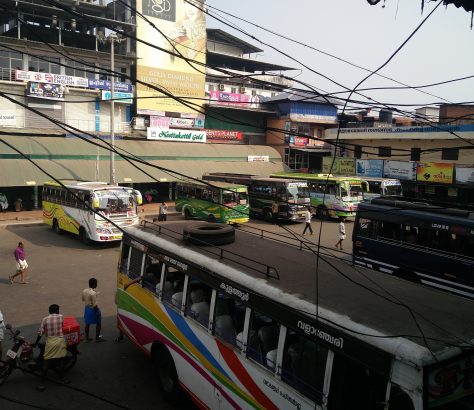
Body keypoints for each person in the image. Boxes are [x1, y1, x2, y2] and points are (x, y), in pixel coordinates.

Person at [34, 304, 69, 391]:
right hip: (60, 341)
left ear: (49, 311)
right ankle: (62, 380)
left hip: (50, 342)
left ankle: (42, 384)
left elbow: (40, 333)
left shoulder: (45, 319)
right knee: (61, 360)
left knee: (46, 362)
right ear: (57, 311)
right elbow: (63, 326)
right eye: (58, 309)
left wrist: (35, 343)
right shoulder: (61, 317)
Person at [81, 278, 104, 343]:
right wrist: (97, 312)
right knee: (98, 323)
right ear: (94, 284)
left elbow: (83, 299)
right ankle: (97, 338)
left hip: (87, 308)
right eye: (96, 283)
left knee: (87, 323)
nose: (97, 285)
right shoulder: (93, 293)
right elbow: (94, 305)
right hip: (93, 309)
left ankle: (87, 337)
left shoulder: (84, 290)